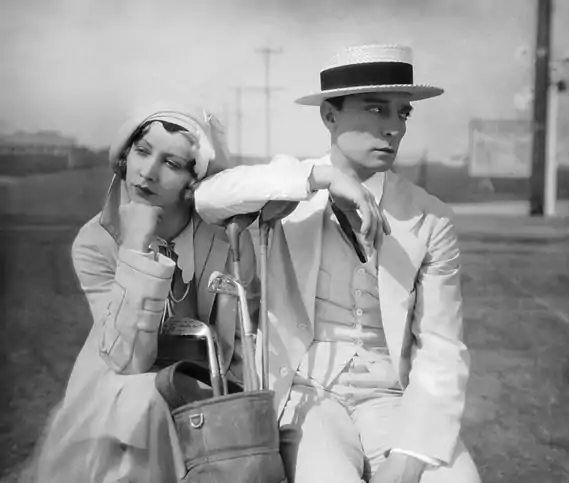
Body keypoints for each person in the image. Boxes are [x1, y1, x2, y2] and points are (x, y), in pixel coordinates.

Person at [193, 44, 480, 483]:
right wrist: (325, 179)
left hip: (394, 396)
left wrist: (408, 459)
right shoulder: (292, 186)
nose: (394, 128)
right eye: (376, 109)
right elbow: (209, 197)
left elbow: (442, 346)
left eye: (402, 113)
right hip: (309, 394)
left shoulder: (429, 217)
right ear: (330, 116)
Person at [25, 103, 259, 483]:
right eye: (142, 151)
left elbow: (245, 340)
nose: (147, 172)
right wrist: (135, 247)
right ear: (125, 155)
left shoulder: (230, 240)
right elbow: (127, 357)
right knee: (143, 400)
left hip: (209, 386)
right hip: (120, 388)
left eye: (172, 163)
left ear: (195, 180)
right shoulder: (95, 242)